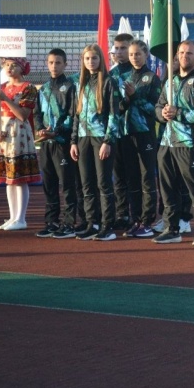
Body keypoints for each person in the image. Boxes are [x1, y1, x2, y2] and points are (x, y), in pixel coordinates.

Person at [152, 40, 194, 245]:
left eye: (189, 53)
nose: (184, 56)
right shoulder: (170, 81)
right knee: (167, 189)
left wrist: (177, 113)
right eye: (181, 52)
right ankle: (172, 228)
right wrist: (162, 113)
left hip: (190, 144)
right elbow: (157, 107)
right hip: (167, 142)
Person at [70, 44, 121, 241]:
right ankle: (93, 223)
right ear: (83, 61)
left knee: (103, 183)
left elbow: (114, 115)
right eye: (87, 58)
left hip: (101, 139)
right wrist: (73, 141)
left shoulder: (109, 82)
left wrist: (108, 141)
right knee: (86, 183)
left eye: (94, 58)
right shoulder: (80, 84)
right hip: (83, 138)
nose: (91, 61)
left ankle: (107, 225)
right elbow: (77, 115)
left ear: (101, 59)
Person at [0, 57, 40, 231]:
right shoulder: (1, 88)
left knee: (19, 178)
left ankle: (21, 217)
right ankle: (12, 216)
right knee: (9, 179)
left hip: (19, 133)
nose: (10, 68)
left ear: (22, 68)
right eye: (7, 65)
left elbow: (23, 115)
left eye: (14, 65)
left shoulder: (28, 88)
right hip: (4, 134)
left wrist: (6, 100)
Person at [118, 40, 161, 238]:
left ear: (145, 55)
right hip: (127, 134)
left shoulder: (152, 78)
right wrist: (125, 100)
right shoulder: (124, 77)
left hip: (145, 134)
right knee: (132, 178)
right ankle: (135, 219)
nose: (134, 57)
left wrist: (134, 96)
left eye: (138, 54)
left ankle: (147, 220)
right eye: (132, 54)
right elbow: (120, 108)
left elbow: (154, 110)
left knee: (147, 178)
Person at [33, 48, 77, 239]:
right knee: (49, 184)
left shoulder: (70, 87)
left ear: (65, 64)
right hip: (46, 144)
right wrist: (40, 129)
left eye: (58, 62)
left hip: (62, 143)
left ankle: (69, 223)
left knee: (67, 184)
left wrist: (56, 131)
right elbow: (37, 114)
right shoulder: (42, 89)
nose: (54, 66)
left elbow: (72, 115)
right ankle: (51, 221)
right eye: (51, 62)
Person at [107, 32, 140, 230]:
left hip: (135, 131)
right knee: (118, 176)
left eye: (123, 48)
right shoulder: (111, 74)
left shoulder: (138, 73)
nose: (119, 52)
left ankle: (137, 215)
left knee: (134, 176)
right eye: (116, 48)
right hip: (116, 132)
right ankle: (121, 214)